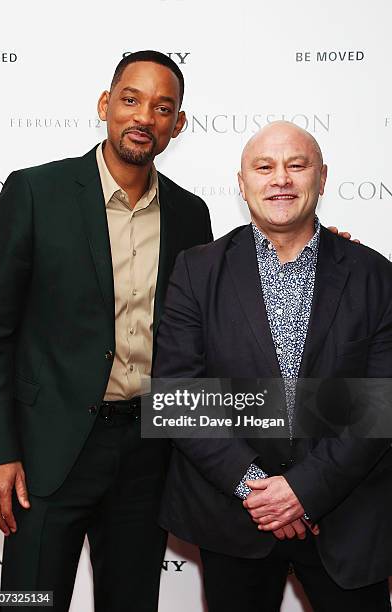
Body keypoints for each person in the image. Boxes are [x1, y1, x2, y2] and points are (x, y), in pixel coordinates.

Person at [0, 50, 213, 612]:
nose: (144, 117)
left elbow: (210, 324)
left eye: (162, 107)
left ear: (178, 124)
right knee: (28, 603)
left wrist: (319, 250)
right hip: (45, 455)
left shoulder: (191, 214)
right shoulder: (36, 192)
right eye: (130, 100)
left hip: (146, 455)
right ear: (105, 104)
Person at [153, 121, 392, 612]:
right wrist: (257, 489)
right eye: (264, 167)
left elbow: (379, 405)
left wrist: (303, 490)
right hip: (234, 520)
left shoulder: (375, 274)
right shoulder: (197, 270)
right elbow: (178, 396)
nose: (280, 178)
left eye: (296, 165)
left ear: (322, 178)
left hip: (347, 519)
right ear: (242, 184)